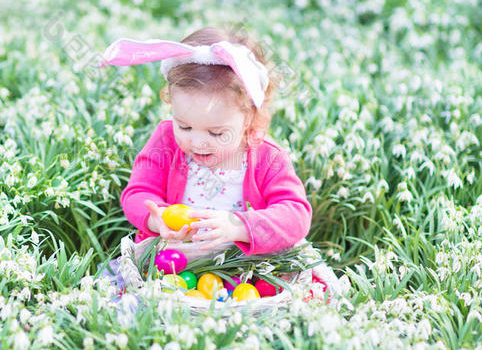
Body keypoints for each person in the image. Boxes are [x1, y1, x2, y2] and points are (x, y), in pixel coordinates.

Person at [100, 27, 341, 297]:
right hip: (174, 262)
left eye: (217, 133)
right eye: (185, 126)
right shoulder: (166, 140)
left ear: (249, 118)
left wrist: (239, 226)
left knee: (304, 295)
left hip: (247, 267)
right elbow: (137, 192)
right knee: (119, 290)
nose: (198, 142)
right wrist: (158, 221)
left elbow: (296, 214)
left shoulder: (267, 157)